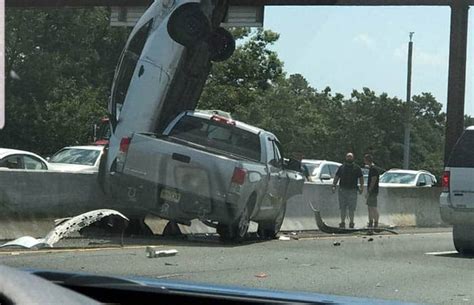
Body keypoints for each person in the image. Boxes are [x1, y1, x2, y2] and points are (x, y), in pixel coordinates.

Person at [332, 152, 364, 228]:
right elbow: (336, 177)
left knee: (351, 208)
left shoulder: (357, 168)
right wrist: (334, 186)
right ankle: (342, 222)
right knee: (342, 207)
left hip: (353, 191)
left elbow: (361, 178)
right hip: (342, 190)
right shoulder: (341, 167)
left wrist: (361, 187)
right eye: (348, 157)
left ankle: (351, 222)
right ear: (346, 158)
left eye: (350, 157)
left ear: (353, 158)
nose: (349, 158)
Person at [364, 154, 381, 228]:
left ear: (367, 160)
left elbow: (373, 181)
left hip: (373, 191)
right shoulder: (371, 168)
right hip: (372, 191)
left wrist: (369, 191)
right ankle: (371, 222)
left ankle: (376, 222)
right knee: (369, 207)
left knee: (373, 207)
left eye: (365, 160)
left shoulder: (373, 169)